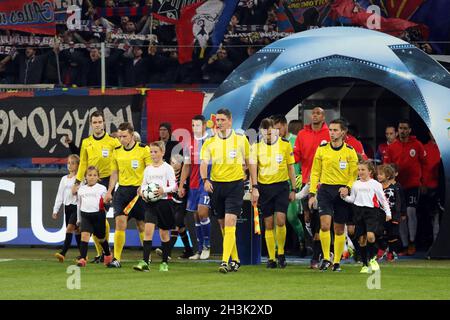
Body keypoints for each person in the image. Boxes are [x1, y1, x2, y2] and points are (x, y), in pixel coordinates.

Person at [200, 108, 253, 273]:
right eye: (218, 120)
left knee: (230, 222)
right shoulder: (210, 141)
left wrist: (254, 185)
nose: (220, 123)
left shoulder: (241, 139)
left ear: (230, 121)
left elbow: (250, 163)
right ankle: (236, 259)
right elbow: (203, 162)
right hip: (216, 186)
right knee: (224, 226)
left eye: (223, 120)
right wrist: (205, 180)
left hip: (235, 185)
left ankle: (224, 262)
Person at [308, 119, 358, 272]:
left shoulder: (350, 151)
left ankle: (336, 261)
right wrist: (312, 193)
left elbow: (353, 174)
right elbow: (315, 172)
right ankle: (325, 258)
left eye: (335, 130)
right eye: (330, 130)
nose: (332, 133)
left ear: (343, 132)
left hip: (341, 192)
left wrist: (348, 188)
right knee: (324, 225)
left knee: (338, 229)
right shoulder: (322, 149)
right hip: (325, 191)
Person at [72, 111, 120, 264]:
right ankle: (103, 253)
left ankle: (105, 252)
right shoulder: (86, 142)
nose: (98, 125)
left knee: (101, 217)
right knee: (94, 217)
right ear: (91, 124)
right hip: (90, 181)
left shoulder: (113, 142)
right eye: (95, 122)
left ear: (104, 123)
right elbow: (83, 164)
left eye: (100, 122)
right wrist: (78, 181)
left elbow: (122, 159)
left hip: (107, 182)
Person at [250, 118, 297, 268]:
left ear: (275, 130)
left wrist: (294, 189)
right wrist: (254, 188)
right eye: (265, 133)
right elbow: (253, 169)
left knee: (281, 220)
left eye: (270, 132)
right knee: (268, 223)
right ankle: (271, 258)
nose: (268, 136)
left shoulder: (285, 145)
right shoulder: (256, 147)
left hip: (282, 187)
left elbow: (290, 167)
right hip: (264, 188)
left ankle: (281, 253)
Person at [105, 122, 151, 268]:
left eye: (124, 136)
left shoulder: (144, 149)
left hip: (139, 192)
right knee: (120, 223)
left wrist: (144, 187)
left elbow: (150, 171)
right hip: (122, 192)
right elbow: (114, 173)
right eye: (119, 136)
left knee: (141, 225)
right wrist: (109, 191)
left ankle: (146, 257)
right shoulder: (116, 151)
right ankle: (117, 259)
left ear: (132, 135)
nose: (121, 139)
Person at [293, 107, 329, 267]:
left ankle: (317, 256)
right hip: (308, 182)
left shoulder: (329, 133)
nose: (315, 116)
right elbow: (297, 155)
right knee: (307, 219)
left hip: (326, 183)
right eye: (313, 113)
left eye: (318, 113)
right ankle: (319, 250)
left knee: (320, 221)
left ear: (323, 116)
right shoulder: (302, 134)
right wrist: (283, 160)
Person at [384, 119, 426, 255]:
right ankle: (404, 244)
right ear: (398, 130)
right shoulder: (392, 147)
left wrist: (423, 182)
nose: (403, 130)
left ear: (410, 130)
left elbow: (424, 163)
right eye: (400, 128)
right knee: (401, 215)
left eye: (405, 128)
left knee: (410, 212)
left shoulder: (417, 145)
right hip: (398, 187)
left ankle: (412, 242)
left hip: (413, 184)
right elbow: (387, 168)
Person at [134, 141, 177, 272]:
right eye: (151, 152)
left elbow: (174, 186)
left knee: (164, 233)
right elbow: (143, 184)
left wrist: (164, 190)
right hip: (150, 203)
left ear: (162, 153)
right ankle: (145, 262)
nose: (153, 154)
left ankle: (164, 262)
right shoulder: (148, 169)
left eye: (155, 152)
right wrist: (141, 191)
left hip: (164, 202)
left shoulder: (167, 168)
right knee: (148, 231)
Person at [343, 161, 392, 273]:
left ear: (370, 171)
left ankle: (372, 257)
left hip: (371, 212)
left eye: (363, 170)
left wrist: (388, 213)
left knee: (370, 236)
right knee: (362, 240)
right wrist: (344, 197)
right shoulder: (355, 184)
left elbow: (382, 199)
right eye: (359, 170)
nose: (360, 172)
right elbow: (352, 199)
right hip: (358, 212)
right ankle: (365, 264)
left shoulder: (375, 184)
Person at [271, 114, 306, 256]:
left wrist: (300, 177)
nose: (276, 132)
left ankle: (303, 241)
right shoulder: (271, 143)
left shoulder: (295, 140)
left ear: (285, 126)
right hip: (275, 184)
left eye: (278, 129)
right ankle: (276, 251)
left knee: (291, 216)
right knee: (275, 218)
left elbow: (303, 160)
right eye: (274, 129)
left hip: (292, 183)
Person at [179, 115, 212, 260]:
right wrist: (181, 184)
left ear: (204, 126)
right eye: (193, 125)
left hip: (207, 182)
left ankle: (207, 246)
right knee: (196, 216)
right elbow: (186, 166)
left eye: (197, 125)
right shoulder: (189, 144)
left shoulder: (211, 141)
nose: (195, 128)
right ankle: (198, 250)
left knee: (203, 212)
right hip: (193, 184)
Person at [76, 166, 113, 267]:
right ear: (85, 177)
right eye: (89, 175)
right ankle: (82, 259)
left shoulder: (102, 189)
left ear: (98, 177)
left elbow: (107, 202)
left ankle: (108, 253)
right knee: (84, 236)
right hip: (85, 216)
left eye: (94, 175)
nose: (92, 177)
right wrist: (79, 219)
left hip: (98, 217)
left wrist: (106, 208)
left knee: (101, 238)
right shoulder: (81, 190)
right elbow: (79, 205)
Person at [53, 154, 82, 262]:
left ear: (78, 165)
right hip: (67, 207)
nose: (70, 165)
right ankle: (83, 254)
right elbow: (60, 194)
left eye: (73, 163)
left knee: (69, 228)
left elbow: (82, 193)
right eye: (68, 163)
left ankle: (63, 253)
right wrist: (55, 209)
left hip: (76, 207)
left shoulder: (80, 179)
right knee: (77, 230)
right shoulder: (64, 179)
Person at [376, 164, 405, 262]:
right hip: (380, 215)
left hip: (393, 216)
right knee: (379, 233)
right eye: (378, 174)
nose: (378, 176)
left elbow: (399, 203)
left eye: (381, 174)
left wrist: (399, 215)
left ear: (387, 176)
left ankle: (390, 253)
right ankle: (382, 248)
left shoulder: (394, 188)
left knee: (392, 235)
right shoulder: (377, 188)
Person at [421, 131, 443, 244]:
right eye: (431, 132)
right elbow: (420, 168)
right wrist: (422, 184)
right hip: (426, 188)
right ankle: (429, 243)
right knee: (428, 217)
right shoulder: (424, 148)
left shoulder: (444, 148)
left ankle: (437, 243)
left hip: (440, 188)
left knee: (438, 216)